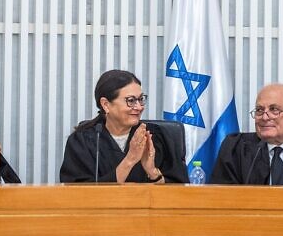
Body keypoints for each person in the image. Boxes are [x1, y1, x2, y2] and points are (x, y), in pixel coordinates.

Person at [59, 70, 188, 183]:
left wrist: (153, 172)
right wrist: (130, 160)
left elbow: (182, 190)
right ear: (105, 104)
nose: (139, 107)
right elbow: (76, 193)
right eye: (131, 101)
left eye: (141, 99)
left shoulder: (157, 137)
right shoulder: (83, 141)